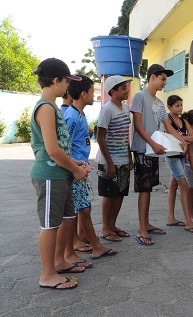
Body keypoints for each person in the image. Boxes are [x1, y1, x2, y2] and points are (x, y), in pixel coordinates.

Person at [30, 57, 89, 289]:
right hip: (49, 175)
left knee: (66, 218)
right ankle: (47, 275)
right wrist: (75, 169)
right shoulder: (45, 107)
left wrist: (75, 162)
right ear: (55, 80)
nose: (68, 86)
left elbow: (60, 146)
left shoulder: (53, 106)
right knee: (50, 224)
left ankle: (59, 261)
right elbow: (52, 150)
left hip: (60, 174)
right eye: (66, 81)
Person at [64, 75, 117, 261]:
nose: (95, 95)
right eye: (93, 92)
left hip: (80, 168)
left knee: (80, 209)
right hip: (75, 171)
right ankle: (96, 246)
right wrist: (74, 167)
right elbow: (63, 146)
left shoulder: (79, 113)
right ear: (84, 93)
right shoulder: (71, 117)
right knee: (84, 209)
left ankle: (78, 241)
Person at [130, 64, 174, 246]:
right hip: (143, 149)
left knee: (149, 188)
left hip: (154, 151)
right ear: (152, 77)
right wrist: (153, 144)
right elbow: (138, 126)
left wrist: (182, 141)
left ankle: (146, 223)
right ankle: (141, 229)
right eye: (162, 79)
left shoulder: (160, 102)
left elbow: (168, 125)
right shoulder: (140, 97)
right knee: (144, 189)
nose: (164, 83)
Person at [96, 75, 133, 243]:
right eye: (123, 88)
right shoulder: (107, 109)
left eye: (127, 87)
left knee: (120, 194)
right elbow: (101, 137)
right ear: (113, 91)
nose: (127, 90)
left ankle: (113, 225)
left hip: (124, 160)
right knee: (109, 195)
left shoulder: (125, 109)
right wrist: (110, 163)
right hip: (108, 162)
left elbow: (125, 136)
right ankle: (105, 228)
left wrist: (129, 155)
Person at [163, 95, 193, 233]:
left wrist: (180, 139)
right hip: (172, 155)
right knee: (183, 186)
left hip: (181, 156)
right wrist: (185, 139)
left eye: (181, 105)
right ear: (170, 107)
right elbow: (170, 136)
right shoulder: (168, 120)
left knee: (173, 185)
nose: (180, 108)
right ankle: (188, 221)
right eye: (177, 106)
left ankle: (170, 217)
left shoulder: (184, 121)